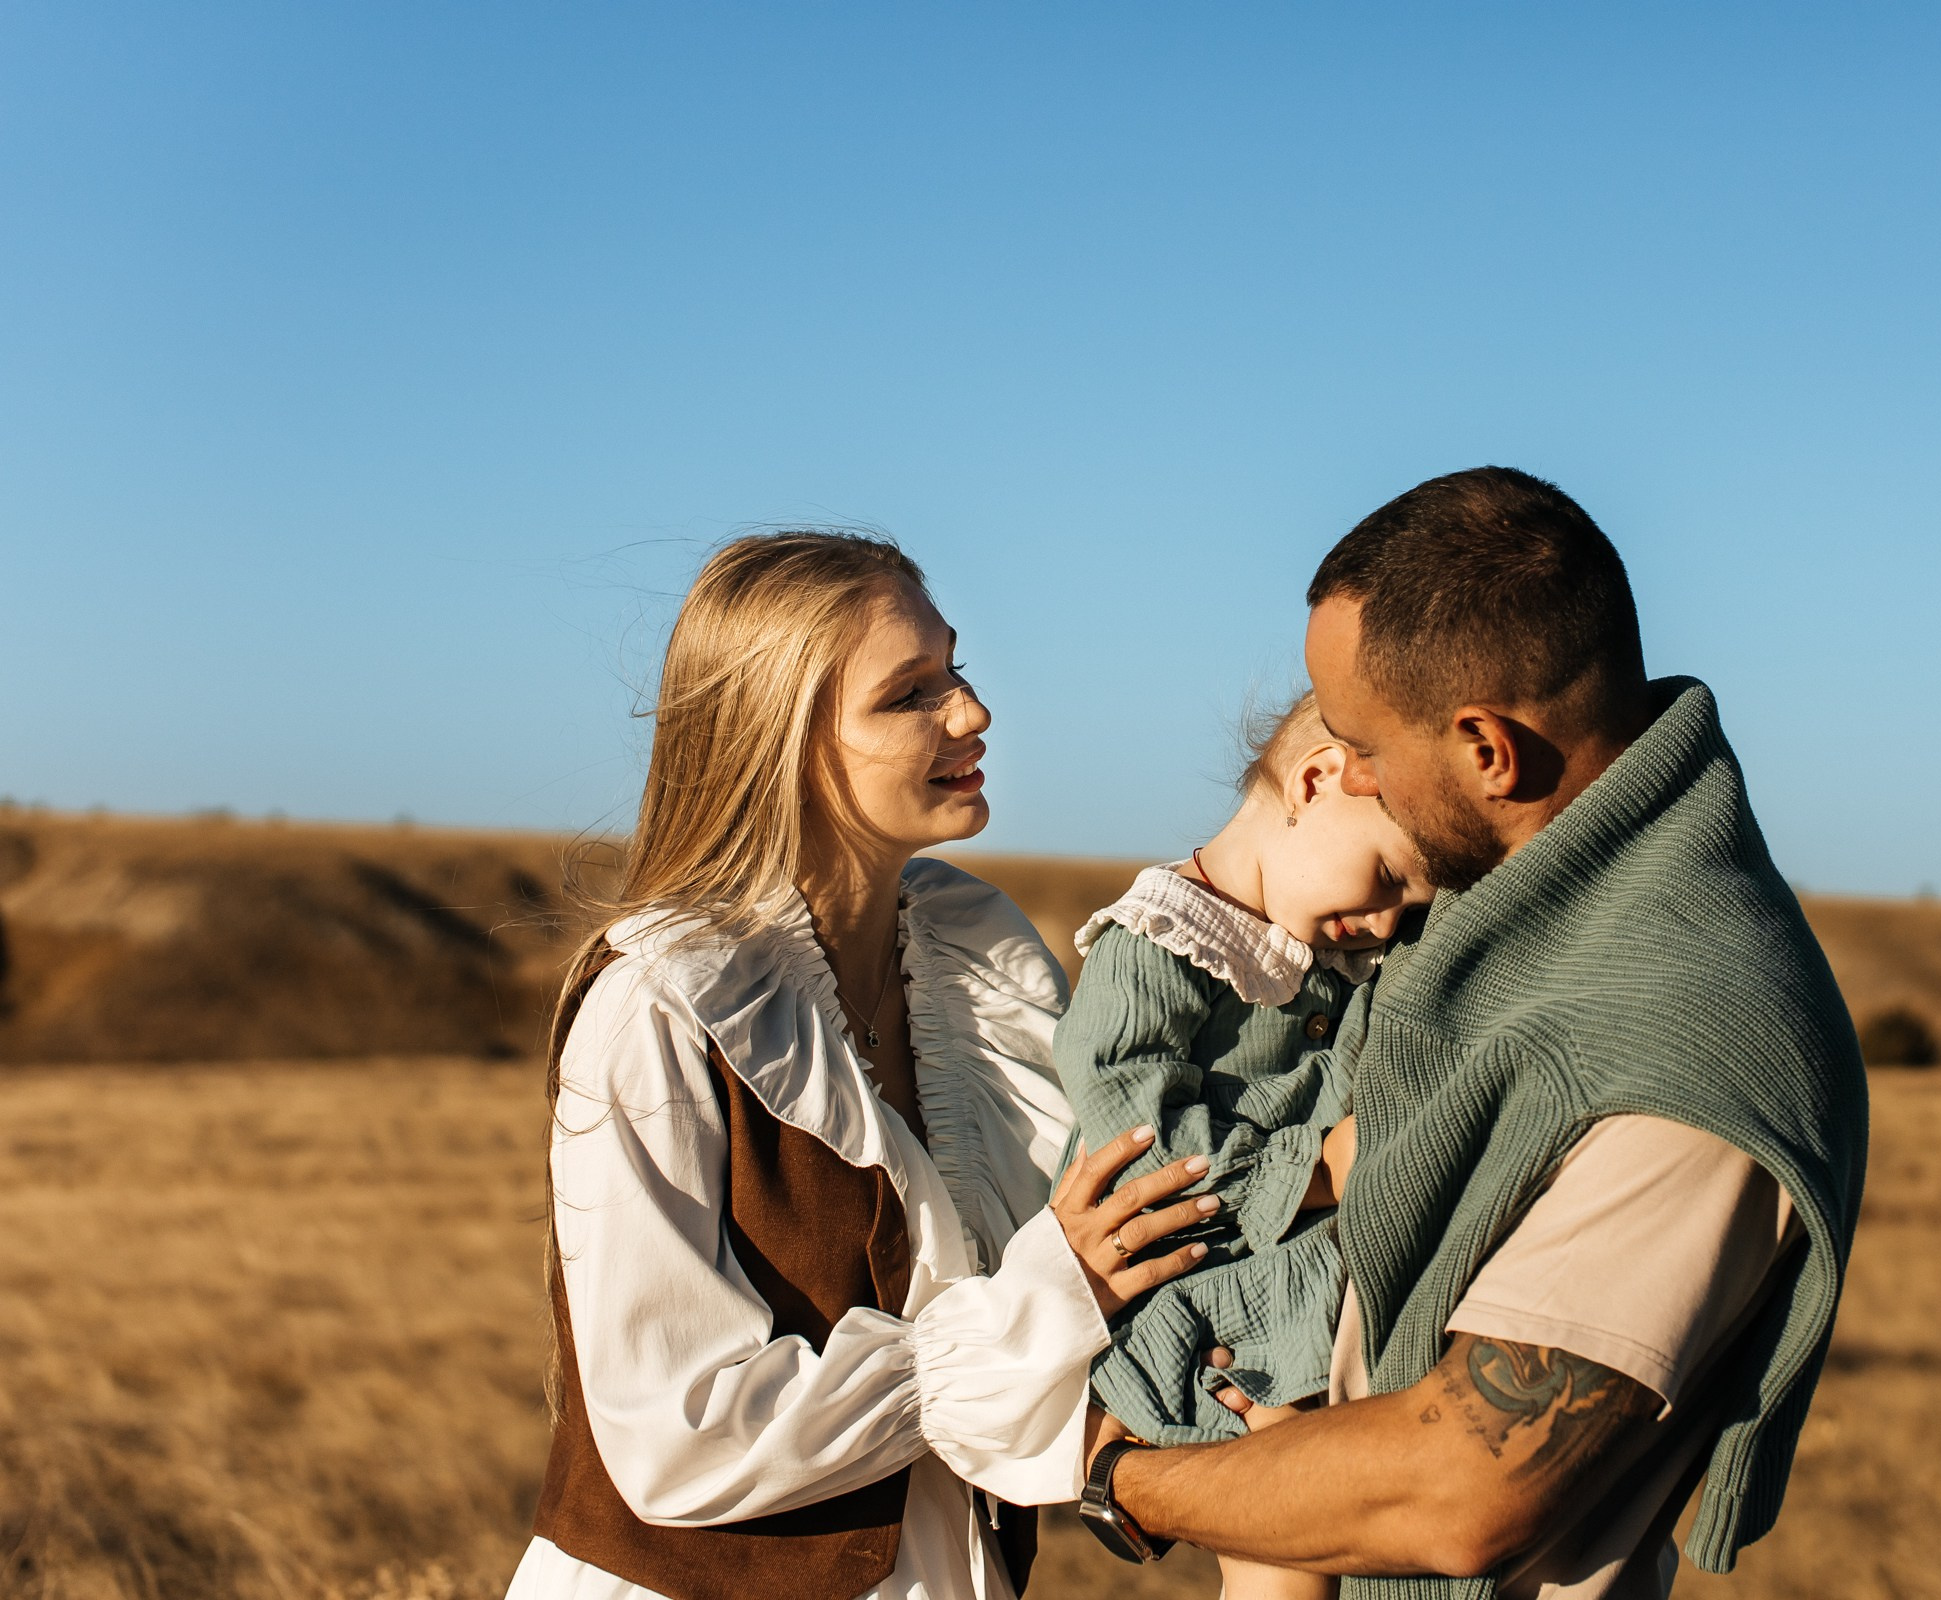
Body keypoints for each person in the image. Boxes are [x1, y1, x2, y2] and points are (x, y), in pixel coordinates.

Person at [1074, 469, 1872, 1600]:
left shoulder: (1691, 1044)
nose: (1341, 774)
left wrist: (1125, 1478)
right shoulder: (1506, 895)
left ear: (1488, 751)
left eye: (1364, 745)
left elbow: (1461, 1489)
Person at [505, 530, 1219, 1600]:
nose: (971, 713)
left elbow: (1074, 1273)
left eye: (956, 670)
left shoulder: (980, 959)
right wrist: (1029, 1312)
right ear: (781, 741)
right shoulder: (662, 1004)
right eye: (909, 694)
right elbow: (677, 1433)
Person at [1053, 690, 1435, 1600]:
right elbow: (1142, 1153)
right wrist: (1318, 1170)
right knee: (1283, 1559)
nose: (1385, 923)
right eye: (1387, 876)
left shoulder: (1341, 964)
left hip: (1302, 1292)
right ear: (1314, 781)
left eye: (1411, 905)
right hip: (1200, 1301)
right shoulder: (1157, 946)